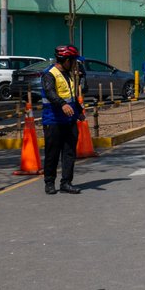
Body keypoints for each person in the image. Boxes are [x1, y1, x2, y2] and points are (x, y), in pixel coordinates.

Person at [40, 45, 83, 195]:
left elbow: (71, 96)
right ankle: (49, 182)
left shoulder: (68, 74)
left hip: (69, 120)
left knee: (69, 152)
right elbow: (50, 93)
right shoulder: (49, 75)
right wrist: (63, 105)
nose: (75, 64)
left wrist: (79, 112)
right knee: (52, 153)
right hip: (53, 120)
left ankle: (66, 182)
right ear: (66, 60)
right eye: (73, 61)